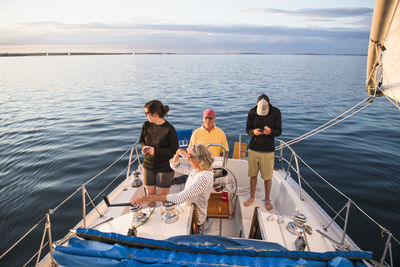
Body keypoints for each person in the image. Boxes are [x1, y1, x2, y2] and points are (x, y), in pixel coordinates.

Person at [131, 144, 214, 232]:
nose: (187, 159)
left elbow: (179, 198)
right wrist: (177, 153)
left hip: (195, 216)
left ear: (198, 158)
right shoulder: (197, 169)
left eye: (189, 157)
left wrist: (149, 198)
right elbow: (175, 166)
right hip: (187, 208)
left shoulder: (203, 178)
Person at [244, 94, 282, 211]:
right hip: (253, 149)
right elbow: (247, 130)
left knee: (267, 178)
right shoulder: (252, 112)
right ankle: (252, 197)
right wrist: (253, 132)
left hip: (268, 150)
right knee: (252, 175)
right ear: (256, 104)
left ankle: (267, 199)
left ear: (269, 105)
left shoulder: (276, 112)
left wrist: (270, 131)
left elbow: (279, 131)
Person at [140, 100, 179, 206]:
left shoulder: (169, 129)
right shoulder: (146, 125)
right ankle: (151, 217)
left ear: (155, 114)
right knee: (149, 196)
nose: (146, 116)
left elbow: (174, 150)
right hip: (148, 165)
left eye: (147, 113)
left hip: (165, 167)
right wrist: (144, 147)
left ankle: (164, 218)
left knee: (163, 199)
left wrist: (155, 151)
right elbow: (142, 141)